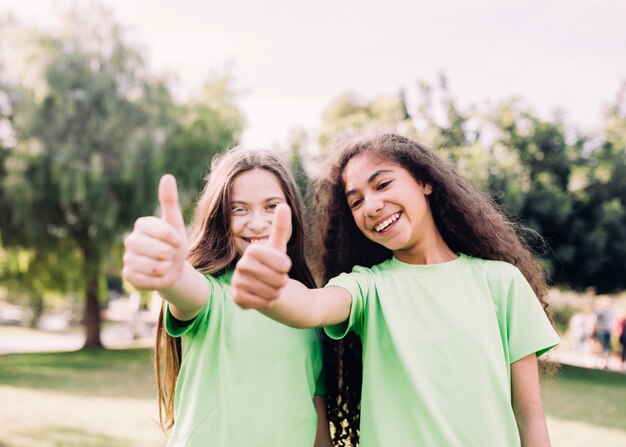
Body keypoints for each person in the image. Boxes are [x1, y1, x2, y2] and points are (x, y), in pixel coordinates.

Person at [231, 134, 561, 447]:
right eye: (356, 201)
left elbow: (530, 420)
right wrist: (272, 291)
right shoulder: (367, 288)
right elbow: (311, 306)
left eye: (383, 184)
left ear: (424, 181)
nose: (371, 206)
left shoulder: (501, 282)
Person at [122, 148, 332, 446]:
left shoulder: (309, 308)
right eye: (239, 209)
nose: (257, 223)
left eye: (272, 206)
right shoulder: (213, 293)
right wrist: (171, 273)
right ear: (221, 217)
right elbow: (185, 290)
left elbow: (316, 417)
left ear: (292, 212)